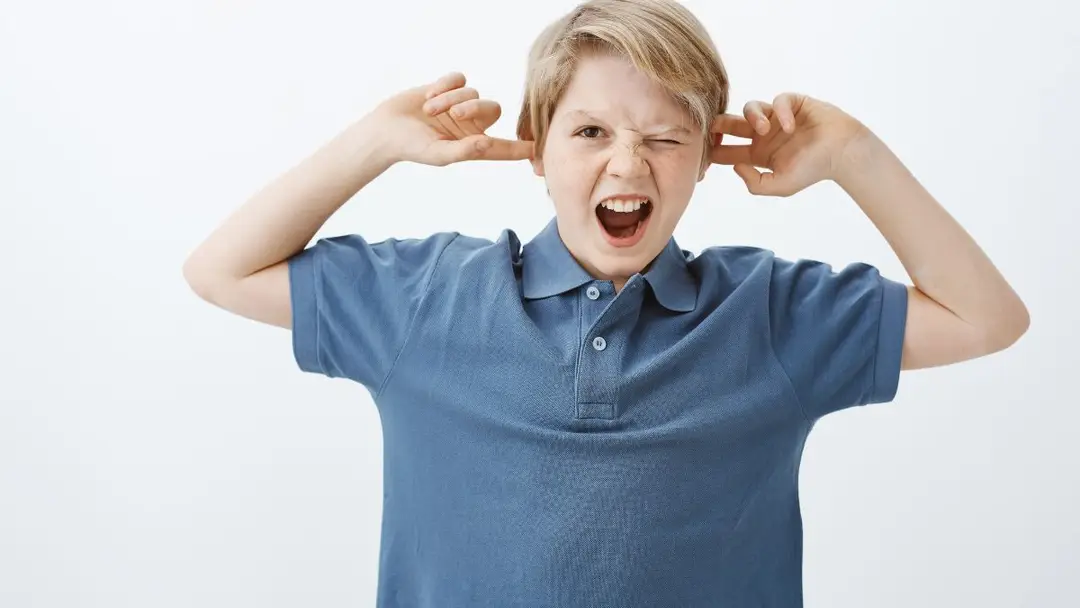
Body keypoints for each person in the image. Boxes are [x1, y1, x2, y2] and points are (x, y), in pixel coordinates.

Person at [183, 0, 1029, 605]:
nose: (628, 165)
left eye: (665, 137)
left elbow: (987, 319)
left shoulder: (768, 313)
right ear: (536, 149)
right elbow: (221, 271)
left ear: (708, 156)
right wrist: (372, 143)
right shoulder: (428, 298)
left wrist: (855, 156)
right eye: (590, 132)